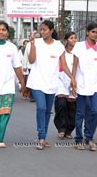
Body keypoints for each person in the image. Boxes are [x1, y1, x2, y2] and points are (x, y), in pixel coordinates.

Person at [26, 20, 75, 150]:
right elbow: (31, 60)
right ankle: (41, 137)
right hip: (37, 82)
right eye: (41, 30)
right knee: (41, 108)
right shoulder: (35, 43)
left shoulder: (58, 46)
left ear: (51, 30)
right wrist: (32, 45)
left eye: (45, 29)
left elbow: (63, 65)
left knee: (47, 111)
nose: (42, 32)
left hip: (52, 83)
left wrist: (72, 78)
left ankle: (43, 137)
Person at [72, 22, 97, 151]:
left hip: (95, 86)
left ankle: (89, 137)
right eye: (93, 32)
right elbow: (75, 65)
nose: (95, 35)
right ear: (87, 32)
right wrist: (73, 81)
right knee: (80, 113)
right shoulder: (79, 46)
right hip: (81, 85)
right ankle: (78, 140)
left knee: (95, 112)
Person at [54, 31, 77, 139]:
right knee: (61, 104)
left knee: (72, 108)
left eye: (75, 38)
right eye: (71, 38)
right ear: (66, 40)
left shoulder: (78, 53)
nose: (74, 40)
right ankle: (61, 128)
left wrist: (74, 81)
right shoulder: (61, 52)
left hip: (74, 81)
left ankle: (69, 130)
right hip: (61, 80)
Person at [23, 32, 41, 102]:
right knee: (32, 81)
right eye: (36, 37)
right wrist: (24, 65)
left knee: (39, 82)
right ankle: (31, 96)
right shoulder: (29, 44)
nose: (37, 39)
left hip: (39, 66)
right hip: (31, 66)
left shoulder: (43, 45)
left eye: (38, 37)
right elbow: (26, 55)